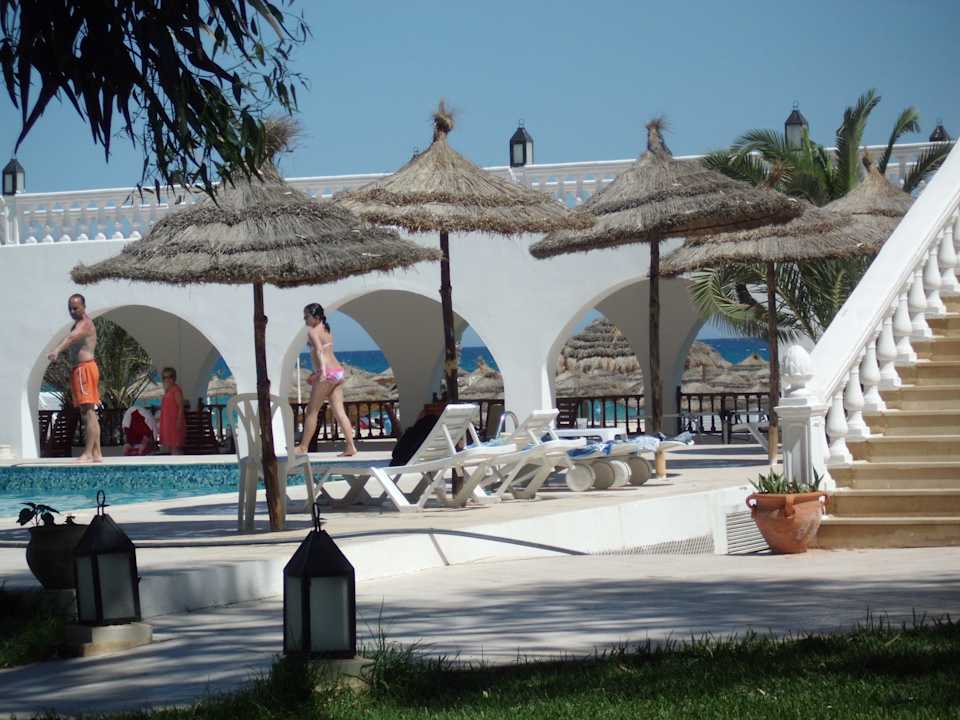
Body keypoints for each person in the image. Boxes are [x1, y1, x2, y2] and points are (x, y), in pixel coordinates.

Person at [295, 303, 357, 456]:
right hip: (337, 372)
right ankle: (351, 447)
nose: (304, 319)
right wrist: (317, 373)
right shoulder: (326, 330)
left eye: (306, 316)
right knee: (339, 411)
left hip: (327, 373)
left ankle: (303, 447)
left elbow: (320, 351)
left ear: (315, 317)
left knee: (311, 411)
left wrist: (321, 372)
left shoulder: (312, 332)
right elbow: (327, 352)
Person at [47, 293, 101, 463]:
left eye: (75, 308)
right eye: (70, 308)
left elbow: (71, 338)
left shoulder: (85, 324)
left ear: (84, 307)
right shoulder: (78, 324)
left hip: (85, 370)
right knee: (87, 412)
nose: (72, 311)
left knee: (88, 412)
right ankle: (97, 453)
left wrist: (56, 350)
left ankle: (87, 453)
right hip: (80, 370)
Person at [158, 367, 187, 454]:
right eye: (164, 377)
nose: (167, 379)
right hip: (167, 422)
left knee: (175, 446)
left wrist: (179, 421)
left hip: (174, 422)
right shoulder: (168, 391)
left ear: (174, 378)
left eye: (169, 376)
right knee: (171, 447)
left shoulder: (176, 390)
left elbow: (181, 406)